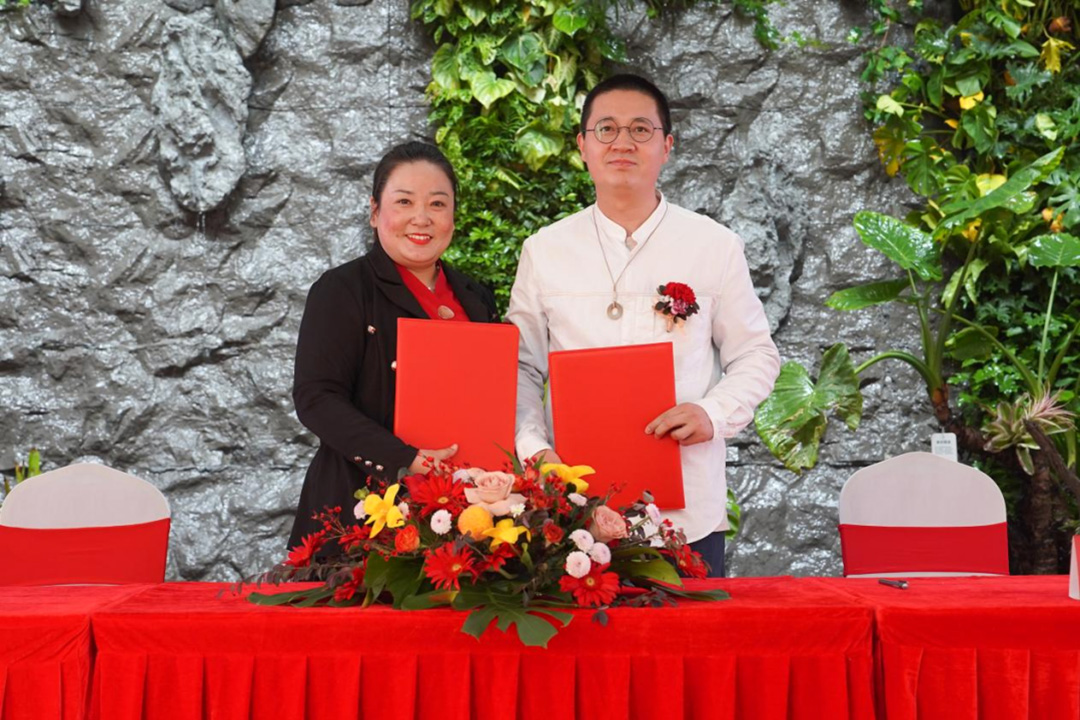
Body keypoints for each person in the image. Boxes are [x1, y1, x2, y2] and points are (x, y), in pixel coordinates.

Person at [506, 74, 781, 577]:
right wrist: (534, 449)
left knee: (691, 630)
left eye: (640, 129)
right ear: (582, 145)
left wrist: (713, 413)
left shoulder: (714, 246)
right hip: (573, 508)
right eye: (606, 129)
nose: (622, 143)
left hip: (684, 512)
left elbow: (756, 354)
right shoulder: (544, 250)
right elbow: (520, 368)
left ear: (667, 146)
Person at [288, 141, 499, 549]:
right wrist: (405, 459)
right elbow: (316, 398)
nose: (421, 218)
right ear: (374, 212)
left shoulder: (476, 297)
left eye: (437, 204)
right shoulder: (342, 290)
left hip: (464, 516)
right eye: (404, 201)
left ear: (453, 216)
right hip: (362, 512)